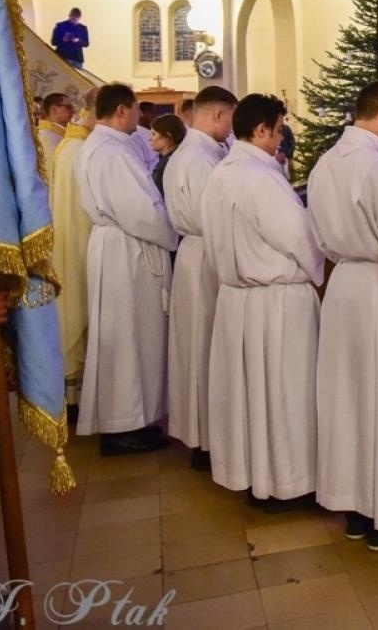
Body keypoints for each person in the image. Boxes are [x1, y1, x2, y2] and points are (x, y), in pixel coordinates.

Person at [309, 82, 378, 550]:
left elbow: (315, 232)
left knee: (349, 401)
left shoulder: (323, 165)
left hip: (343, 287)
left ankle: (355, 510)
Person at [204, 93, 325, 501]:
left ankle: (257, 475)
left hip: (238, 300)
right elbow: (298, 237)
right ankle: (288, 482)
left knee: (251, 396)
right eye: (278, 131)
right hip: (276, 302)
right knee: (285, 392)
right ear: (260, 131)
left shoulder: (222, 172)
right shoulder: (260, 177)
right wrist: (318, 273)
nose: (280, 140)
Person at [75, 83, 180, 454]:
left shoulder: (103, 145)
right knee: (129, 337)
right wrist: (174, 235)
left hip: (118, 248)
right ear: (121, 110)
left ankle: (132, 420)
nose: (140, 116)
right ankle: (123, 425)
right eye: (136, 109)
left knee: (130, 336)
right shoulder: (112, 153)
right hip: (128, 251)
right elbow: (142, 210)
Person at [163, 85, 237, 470]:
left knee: (195, 345)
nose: (230, 130)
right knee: (207, 346)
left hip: (193, 252)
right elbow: (221, 212)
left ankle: (199, 435)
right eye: (229, 120)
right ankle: (208, 438)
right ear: (218, 116)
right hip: (208, 251)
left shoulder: (186, 153)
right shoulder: (204, 160)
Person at [52, 87, 97, 403]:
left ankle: (75, 393)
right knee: (81, 304)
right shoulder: (78, 149)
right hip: (80, 240)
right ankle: (75, 395)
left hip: (70, 237)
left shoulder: (69, 143)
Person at [149, 114, 186, 197]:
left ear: (167, 136)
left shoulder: (169, 164)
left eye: (154, 134)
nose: (150, 139)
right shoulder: (167, 160)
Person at [37, 92, 74, 166]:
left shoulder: (64, 133)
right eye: (68, 107)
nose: (73, 110)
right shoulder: (44, 135)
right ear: (54, 109)